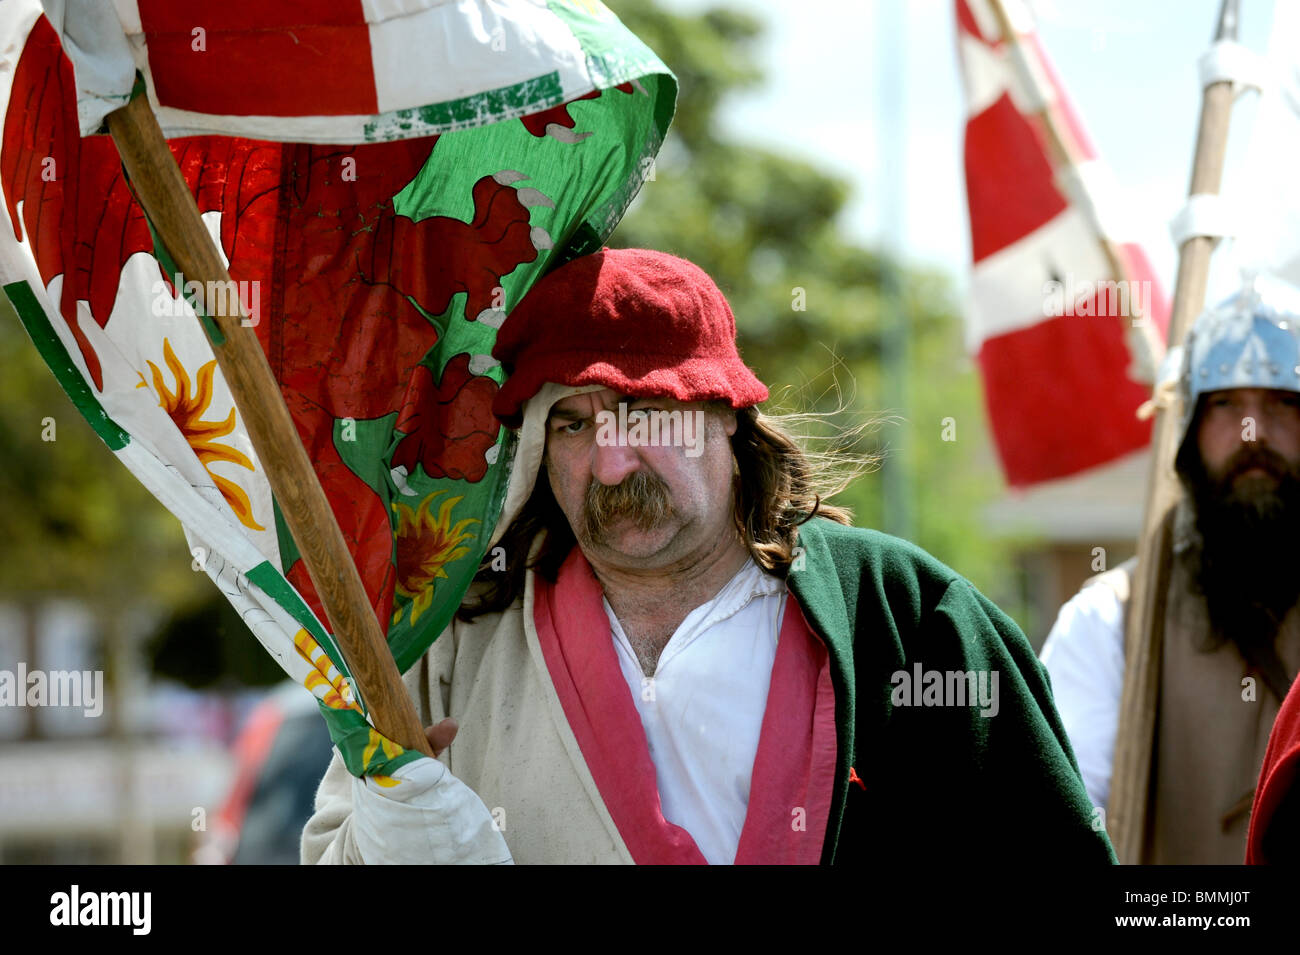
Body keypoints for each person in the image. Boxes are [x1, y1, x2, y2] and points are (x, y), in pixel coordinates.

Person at [303, 247, 1113, 865]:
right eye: (573, 424)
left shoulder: (905, 617)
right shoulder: (450, 645)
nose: (612, 462)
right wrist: (391, 829)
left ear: (727, 414)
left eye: (645, 412)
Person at [1041, 274, 1300, 864]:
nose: (1252, 433)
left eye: (1282, 402)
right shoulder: (1112, 617)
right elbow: (1061, 825)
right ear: (1186, 434)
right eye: (1225, 404)